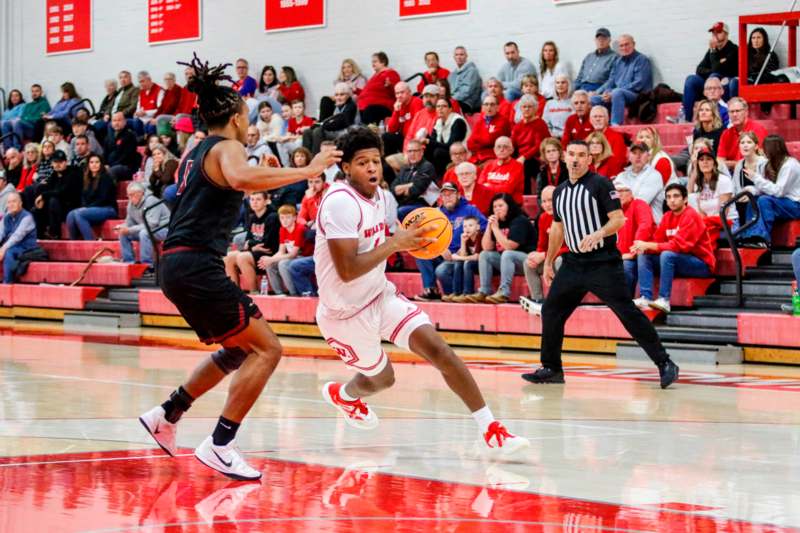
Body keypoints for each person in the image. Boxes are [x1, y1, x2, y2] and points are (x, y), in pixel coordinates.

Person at [137, 54, 341, 481]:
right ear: (233, 116)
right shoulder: (229, 146)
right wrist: (307, 169)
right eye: (246, 115)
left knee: (238, 348)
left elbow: (226, 184)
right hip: (194, 262)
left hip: (176, 263)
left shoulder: (197, 150)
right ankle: (221, 444)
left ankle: (167, 414)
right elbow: (241, 178)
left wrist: (260, 173)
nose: (249, 124)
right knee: (269, 349)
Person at [313, 126, 528, 454]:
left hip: (378, 295)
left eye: (375, 160)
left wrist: (420, 240)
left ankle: (492, 429)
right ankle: (344, 395)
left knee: (441, 351)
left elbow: (383, 242)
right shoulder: (339, 202)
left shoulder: (383, 197)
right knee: (383, 379)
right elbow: (346, 270)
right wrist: (395, 243)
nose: (372, 167)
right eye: (361, 162)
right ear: (346, 168)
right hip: (343, 313)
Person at [522, 140, 678, 387]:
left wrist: (598, 234)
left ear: (588, 160)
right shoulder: (560, 191)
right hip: (573, 263)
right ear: (564, 157)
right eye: (571, 154)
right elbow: (557, 229)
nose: (575, 159)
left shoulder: (601, 184)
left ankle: (665, 363)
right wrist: (549, 262)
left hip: (602, 262)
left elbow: (618, 220)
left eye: (581, 155)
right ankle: (552, 368)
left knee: (626, 312)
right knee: (551, 310)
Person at [633, 183, 716, 313]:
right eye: (669, 197)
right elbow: (657, 241)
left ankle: (664, 300)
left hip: (701, 264)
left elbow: (678, 246)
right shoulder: (667, 216)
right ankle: (645, 298)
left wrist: (648, 245)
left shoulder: (691, 215)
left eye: (676, 196)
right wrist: (641, 247)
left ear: (685, 199)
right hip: (678, 260)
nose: (672, 200)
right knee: (644, 254)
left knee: (667, 254)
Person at [414, 182, 487, 301]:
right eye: (444, 195)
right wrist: (440, 248)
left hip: (461, 256)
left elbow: (484, 227)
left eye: (451, 194)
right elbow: (426, 235)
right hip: (443, 254)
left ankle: (455, 295)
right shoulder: (437, 213)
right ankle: (431, 290)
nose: (448, 198)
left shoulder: (469, 209)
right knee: (420, 249)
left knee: (442, 271)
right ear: (441, 198)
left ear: (458, 195)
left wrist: (469, 246)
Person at [466, 193, 535, 304]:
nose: (497, 209)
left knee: (508, 253)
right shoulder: (497, 223)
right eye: (495, 207)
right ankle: (484, 291)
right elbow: (487, 247)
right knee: (485, 255)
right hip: (507, 264)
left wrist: (496, 229)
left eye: (500, 206)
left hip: (528, 262)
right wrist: (490, 227)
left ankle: (504, 291)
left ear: (509, 206)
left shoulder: (519, 221)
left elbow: (510, 246)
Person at [736, 135, 800, 249]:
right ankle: (750, 236)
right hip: (780, 202)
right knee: (753, 199)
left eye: (765, 148)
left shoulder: (790, 165)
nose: (763, 151)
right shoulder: (767, 164)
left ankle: (762, 238)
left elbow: (778, 191)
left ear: (773, 150)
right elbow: (763, 187)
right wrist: (750, 190)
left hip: (795, 204)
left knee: (764, 200)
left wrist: (755, 178)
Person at [520, 186, 566, 315]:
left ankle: (561, 301)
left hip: (571, 259)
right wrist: (537, 254)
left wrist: (544, 256)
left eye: (551, 200)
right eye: (544, 201)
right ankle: (538, 300)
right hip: (551, 257)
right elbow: (541, 245)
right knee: (528, 263)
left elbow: (570, 248)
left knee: (559, 262)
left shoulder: (568, 216)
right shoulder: (543, 218)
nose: (547, 205)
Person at [589, 35, 653, 126]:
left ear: (634, 44)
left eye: (627, 44)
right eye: (621, 46)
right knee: (594, 99)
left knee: (618, 93)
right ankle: (599, 125)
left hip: (638, 95)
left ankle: (616, 125)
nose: (624, 48)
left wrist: (613, 92)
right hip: (617, 94)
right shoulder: (618, 61)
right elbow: (611, 80)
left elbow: (639, 84)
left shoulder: (642, 60)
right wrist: (603, 92)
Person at [682, 22, 739, 122]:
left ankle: (714, 116)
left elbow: (717, 71)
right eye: (713, 33)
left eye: (718, 32)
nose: (715, 35)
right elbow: (699, 69)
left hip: (725, 85)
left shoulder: (733, 49)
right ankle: (687, 119)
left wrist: (713, 54)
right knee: (691, 80)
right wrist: (713, 67)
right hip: (710, 84)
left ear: (726, 34)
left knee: (714, 76)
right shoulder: (712, 50)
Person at [224, 191, 278, 292]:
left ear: (266, 201)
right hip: (255, 252)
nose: (254, 202)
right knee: (228, 257)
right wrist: (252, 245)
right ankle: (235, 293)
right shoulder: (252, 218)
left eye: (258, 199)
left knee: (242, 257)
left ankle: (254, 292)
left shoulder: (273, 217)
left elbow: (267, 244)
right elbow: (247, 241)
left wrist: (250, 244)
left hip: (269, 254)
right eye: (252, 199)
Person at [259, 204, 313, 296]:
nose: (284, 220)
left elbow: (293, 254)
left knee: (283, 264)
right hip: (294, 256)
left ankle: (293, 293)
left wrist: (271, 259)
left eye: (288, 217)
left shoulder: (300, 229)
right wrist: (268, 260)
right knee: (270, 265)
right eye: (282, 218)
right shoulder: (282, 229)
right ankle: (279, 293)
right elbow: (281, 251)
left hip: (305, 256)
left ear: (295, 217)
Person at [687, 146, 734, 243]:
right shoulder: (699, 183)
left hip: (727, 223)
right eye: (701, 159)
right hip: (708, 223)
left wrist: (704, 223)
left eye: (708, 159)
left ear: (714, 163)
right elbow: (698, 210)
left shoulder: (723, 180)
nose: (705, 162)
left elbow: (723, 212)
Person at [614, 181, 654, 294]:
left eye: (623, 191)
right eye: (616, 192)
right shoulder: (613, 212)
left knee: (625, 267)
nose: (619, 194)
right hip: (621, 256)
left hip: (640, 256)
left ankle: (625, 302)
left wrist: (633, 252)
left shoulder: (639, 204)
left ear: (632, 193)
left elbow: (645, 227)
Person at [118, 182, 170, 268]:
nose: (130, 198)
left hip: (164, 229)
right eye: (128, 195)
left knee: (144, 233)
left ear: (141, 193)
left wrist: (130, 229)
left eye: (132, 195)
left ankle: (147, 265)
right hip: (148, 229)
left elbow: (152, 224)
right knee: (123, 233)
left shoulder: (151, 200)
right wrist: (123, 227)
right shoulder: (131, 204)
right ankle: (129, 262)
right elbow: (129, 222)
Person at [65, 154, 117, 240]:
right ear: (88, 165)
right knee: (70, 215)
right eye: (91, 162)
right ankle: (74, 242)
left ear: (101, 164)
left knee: (79, 214)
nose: (94, 164)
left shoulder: (106, 178)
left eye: (97, 162)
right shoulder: (87, 179)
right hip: (93, 209)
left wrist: (87, 208)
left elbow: (103, 199)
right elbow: (83, 197)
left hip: (108, 208)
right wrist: (84, 207)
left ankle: (90, 242)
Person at [32, 149, 82, 239]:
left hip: (70, 207)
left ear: (66, 162)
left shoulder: (73, 173)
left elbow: (62, 192)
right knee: (36, 207)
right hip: (57, 207)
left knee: (53, 200)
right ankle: (39, 235)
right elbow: (48, 188)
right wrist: (41, 197)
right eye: (55, 162)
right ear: (52, 163)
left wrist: (43, 196)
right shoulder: (54, 174)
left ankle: (55, 233)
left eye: (60, 162)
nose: (57, 164)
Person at [614, 142, 668, 223]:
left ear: (648, 156)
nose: (638, 156)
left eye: (641, 153)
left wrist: (623, 197)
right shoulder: (621, 176)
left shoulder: (654, 176)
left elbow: (640, 203)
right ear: (629, 156)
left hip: (651, 225)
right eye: (634, 153)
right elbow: (612, 198)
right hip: (626, 224)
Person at [717, 97, 768, 172]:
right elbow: (719, 163)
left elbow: (759, 161)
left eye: (738, 111)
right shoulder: (726, 134)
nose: (734, 114)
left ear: (746, 112)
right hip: (731, 174)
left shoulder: (757, 129)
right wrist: (736, 164)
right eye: (731, 112)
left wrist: (731, 164)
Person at [390, 139, 437, 220]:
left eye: (415, 151)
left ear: (422, 152)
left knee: (399, 212)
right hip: (405, 204)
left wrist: (402, 189)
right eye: (409, 151)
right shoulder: (405, 168)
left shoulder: (427, 167)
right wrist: (410, 185)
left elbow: (416, 190)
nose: (412, 154)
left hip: (423, 206)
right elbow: (393, 189)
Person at [0, 192, 37, 283]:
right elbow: (0, 233)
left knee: (8, 252)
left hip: (26, 248)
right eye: (9, 202)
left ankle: (7, 283)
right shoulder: (7, 217)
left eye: (14, 201)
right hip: (12, 246)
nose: (11, 204)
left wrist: (3, 248)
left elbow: (17, 236)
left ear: (20, 203)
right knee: (9, 250)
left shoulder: (27, 217)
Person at [512, 94, 551, 182]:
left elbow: (538, 146)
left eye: (530, 107)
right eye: (524, 106)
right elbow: (512, 145)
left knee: (526, 164)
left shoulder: (540, 124)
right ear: (520, 108)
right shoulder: (517, 126)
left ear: (535, 108)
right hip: (521, 158)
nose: (526, 109)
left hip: (536, 158)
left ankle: (526, 194)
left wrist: (524, 157)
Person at [427, 98, 468, 177]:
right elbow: (433, 140)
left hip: (460, 153)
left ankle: (440, 178)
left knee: (438, 152)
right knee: (425, 149)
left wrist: (429, 141)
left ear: (450, 109)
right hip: (448, 152)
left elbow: (451, 146)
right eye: (438, 106)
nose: (440, 109)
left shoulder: (458, 121)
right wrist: (425, 138)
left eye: (444, 106)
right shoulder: (439, 122)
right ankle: (428, 177)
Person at [358, 52, 402, 126]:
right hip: (366, 107)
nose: (372, 64)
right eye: (372, 62)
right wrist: (355, 90)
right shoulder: (374, 75)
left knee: (370, 110)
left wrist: (390, 85)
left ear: (383, 62)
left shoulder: (390, 73)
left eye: (375, 61)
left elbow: (398, 90)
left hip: (382, 107)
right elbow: (367, 91)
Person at [478, 137, 524, 204]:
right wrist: (500, 186)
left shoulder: (517, 166)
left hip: (510, 205)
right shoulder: (489, 166)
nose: (501, 150)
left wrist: (489, 186)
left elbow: (508, 189)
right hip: (491, 203)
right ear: (494, 150)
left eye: (505, 147)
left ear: (512, 150)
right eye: (498, 147)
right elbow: (480, 187)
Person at [467, 95, 511, 165]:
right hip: (477, 156)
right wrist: (483, 140)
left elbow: (490, 140)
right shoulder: (480, 121)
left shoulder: (503, 121)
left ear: (497, 107)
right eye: (486, 104)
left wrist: (479, 141)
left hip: (493, 156)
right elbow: (470, 143)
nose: (489, 107)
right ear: (482, 108)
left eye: (492, 104)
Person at [382, 81, 423, 157]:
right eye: (397, 93)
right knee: (386, 136)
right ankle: (390, 165)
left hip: (415, 139)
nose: (399, 96)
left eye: (402, 92)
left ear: (409, 92)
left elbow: (418, 126)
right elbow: (391, 129)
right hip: (404, 138)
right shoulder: (399, 105)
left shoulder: (417, 102)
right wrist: (396, 112)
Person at [5, 84, 50, 150]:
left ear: (41, 92)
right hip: (24, 127)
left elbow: (40, 118)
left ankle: (17, 148)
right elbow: (23, 116)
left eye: (37, 91)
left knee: (17, 122)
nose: (34, 93)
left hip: (33, 129)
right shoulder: (28, 105)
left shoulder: (44, 104)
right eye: (32, 91)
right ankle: (8, 148)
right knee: (4, 123)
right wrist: (27, 118)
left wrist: (27, 118)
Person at [574, 28, 619, 92]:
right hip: (581, 87)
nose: (601, 41)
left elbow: (612, 80)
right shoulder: (589, 56)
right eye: (599, 39)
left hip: (597, 88)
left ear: (609, 40)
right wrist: (571, 89)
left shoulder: (615, 57)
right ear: (595, 40)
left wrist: (597, 92)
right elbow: (579, 77)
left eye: (604, 39)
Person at [104, 111, 142, 181]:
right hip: (111, 165)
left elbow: (126, 157)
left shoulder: (130, 136)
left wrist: (110, 166)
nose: (116, 123)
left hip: (127, 167)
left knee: (112, 171)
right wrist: (105, 164)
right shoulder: (108, 137)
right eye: (114, 120)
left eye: (119, 120)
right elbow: (105, 153)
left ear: (125, 122)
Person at [589, 105, 627, 173]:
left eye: (601, 116)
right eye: (595, 117)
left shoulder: (617, 137)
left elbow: (618, 162)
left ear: (607, 119)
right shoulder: (588, 138)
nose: (598, 119)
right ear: (590, 120)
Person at [277, 100, 314, 167]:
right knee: (279, 144)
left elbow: (304, 137)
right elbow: (288, 135)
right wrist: (290, 137)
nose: (297, 109)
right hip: (293, 144)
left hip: (302, 145)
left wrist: (292, 137)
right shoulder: (291, 121)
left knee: (299, 141)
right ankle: (286, 166)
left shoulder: (308, 120)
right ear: (292, 110)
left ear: (303, 109)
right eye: (295, 107)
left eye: (300, 107)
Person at [448, 46, 482, 114]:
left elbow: (466, 92)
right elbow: (448, 89)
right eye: (456, 55)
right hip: (455, 101)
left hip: (468, 103)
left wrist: (450, 100)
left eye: (461, 54)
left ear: (466, 56)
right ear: (454, 57)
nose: (459, 57)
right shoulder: (452, 74)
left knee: (445, 108)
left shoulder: (472, 71)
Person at [131, 71, 164, 137]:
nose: (141, 84)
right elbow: (138, 107)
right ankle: (140, 142)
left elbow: (161, 109)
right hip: (143, 118)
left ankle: (149, 144)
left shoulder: (159, 90)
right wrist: (137, 113)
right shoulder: (141, 92)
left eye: (143, 81)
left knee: (150, 126)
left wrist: (146, 113)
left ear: (149, 80)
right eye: (140, 82)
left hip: (154, 118)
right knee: (134, 121)